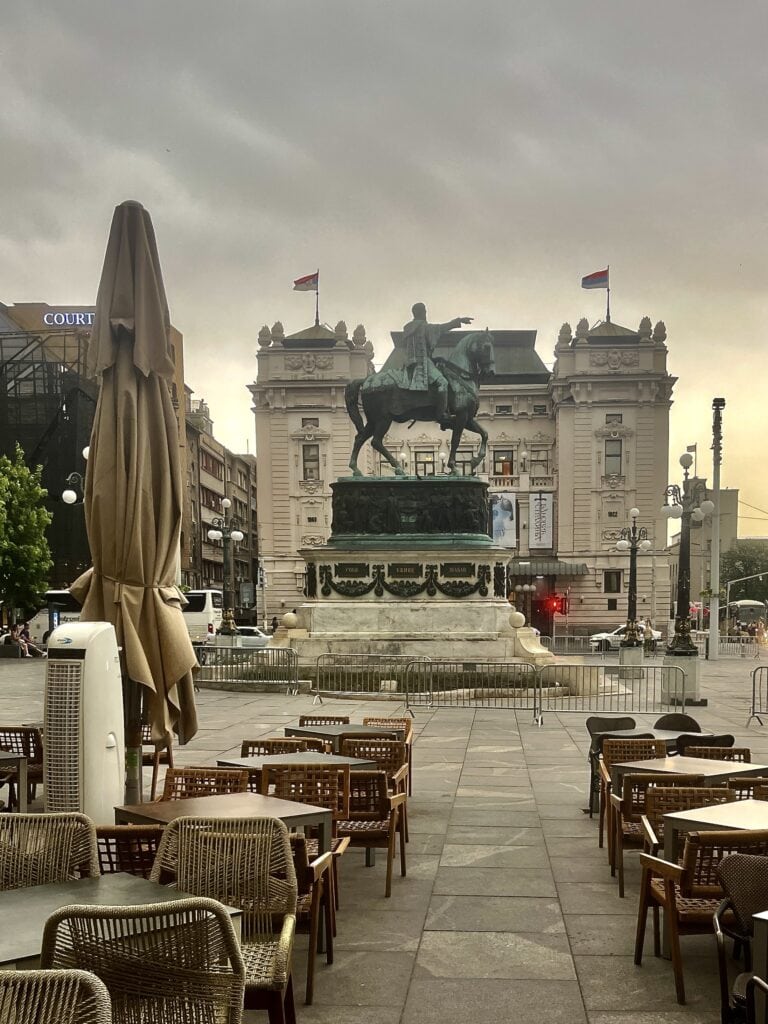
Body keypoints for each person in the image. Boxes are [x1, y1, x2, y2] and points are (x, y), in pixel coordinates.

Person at [402, 302, 473, 429]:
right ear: (422, 313)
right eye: (425, 311)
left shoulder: (408, 329)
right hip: (422, 362)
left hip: (409, 363)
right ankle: (442, 415)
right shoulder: (424, 327)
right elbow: (442, 327)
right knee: (443, 382)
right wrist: (458, 321)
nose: (425, 314)